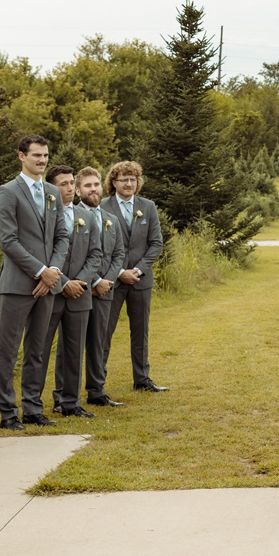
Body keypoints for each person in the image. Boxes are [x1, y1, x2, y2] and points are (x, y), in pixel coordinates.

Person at [0, 134, 70, 430]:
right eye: (36, 155)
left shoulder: (52, 191)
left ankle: (33, 409)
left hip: (49, 283)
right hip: (17, 284)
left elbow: (62, 236)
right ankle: (8, 413)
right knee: (8, 350)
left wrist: (53, 272)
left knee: (37, 349)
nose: (42, 160)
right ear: (21, 156)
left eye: (45, 156)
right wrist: (40, 271)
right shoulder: (7, 192)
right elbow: (8, 241)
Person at [40, 165, 106, 418]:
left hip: (81, 293)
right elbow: (44, 254)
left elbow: (96, 253)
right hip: (51, 291)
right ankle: (36, 403)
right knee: (41, 349)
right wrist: (63, 282)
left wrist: (80, 281)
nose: (68, 188)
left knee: (74, 349)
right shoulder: (43, 215)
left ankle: (70, 402)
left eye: (71, 183)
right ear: (51, 189)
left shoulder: (86, 216)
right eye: (63, 184)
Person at [100, 160, 167, 394]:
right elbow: (98, 246)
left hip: (140, 280)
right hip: (112, 280)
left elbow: (156, 243)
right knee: (104, 331)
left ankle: (142, 379)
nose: (129, 183)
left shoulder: (147, 207)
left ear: (138, 182)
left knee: (140, 331)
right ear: (113, 182)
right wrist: (120, 272)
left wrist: (137, 270)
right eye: (123, 179)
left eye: (133, 179)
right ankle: (98, 383)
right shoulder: (102, 207)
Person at [81, 166, 127, 409]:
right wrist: (95, 281)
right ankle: (63, 395)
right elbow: (73, 255)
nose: (93, 189)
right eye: (87, 185)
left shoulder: (112, 220)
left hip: (106, 290)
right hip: (80, 289)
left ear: (102, 186)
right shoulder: (72, 214)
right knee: (74, 344)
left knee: (99, 341)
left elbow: (118, 254)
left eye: (96, 184)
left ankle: (96, 391)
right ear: (78, 189)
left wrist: (107, 281)